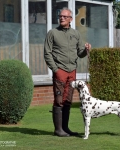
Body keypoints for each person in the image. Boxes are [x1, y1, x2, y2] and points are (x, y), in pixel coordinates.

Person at [44, 7, 91, 137]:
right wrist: (55, 69)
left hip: (72, 71)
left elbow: (80, 53)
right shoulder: (52, 33)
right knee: (59, 100)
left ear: (70, 19)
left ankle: (65, 128)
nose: (62, 18)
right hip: (60, 70)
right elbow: (47, 53)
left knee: (68, 100)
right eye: (60, 16)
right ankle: (58, 130)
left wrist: (86, 49)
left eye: (65, 16)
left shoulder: (75, 34)